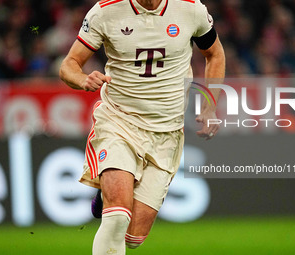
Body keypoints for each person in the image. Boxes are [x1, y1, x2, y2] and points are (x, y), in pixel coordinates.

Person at [59, 0, 225, 254]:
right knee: (116, 217)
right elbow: (68, 65)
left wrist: (210, 105)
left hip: (166, 132)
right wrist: (83, 79)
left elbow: (214, 54)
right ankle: (111, 195)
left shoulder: (190, 9)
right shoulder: (105, 11)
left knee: (132, 237)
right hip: (119, 122)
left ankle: (105, 196)